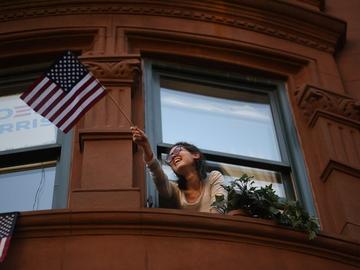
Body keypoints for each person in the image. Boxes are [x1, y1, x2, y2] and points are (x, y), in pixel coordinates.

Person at [130, 126, 226, 213]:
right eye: (169, 157)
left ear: (195, 155)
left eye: (177, 150)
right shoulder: (175, 190)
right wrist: (146, 147)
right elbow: (159, 178)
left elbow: (219, 206)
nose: (173, 156)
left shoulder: (213, 177)